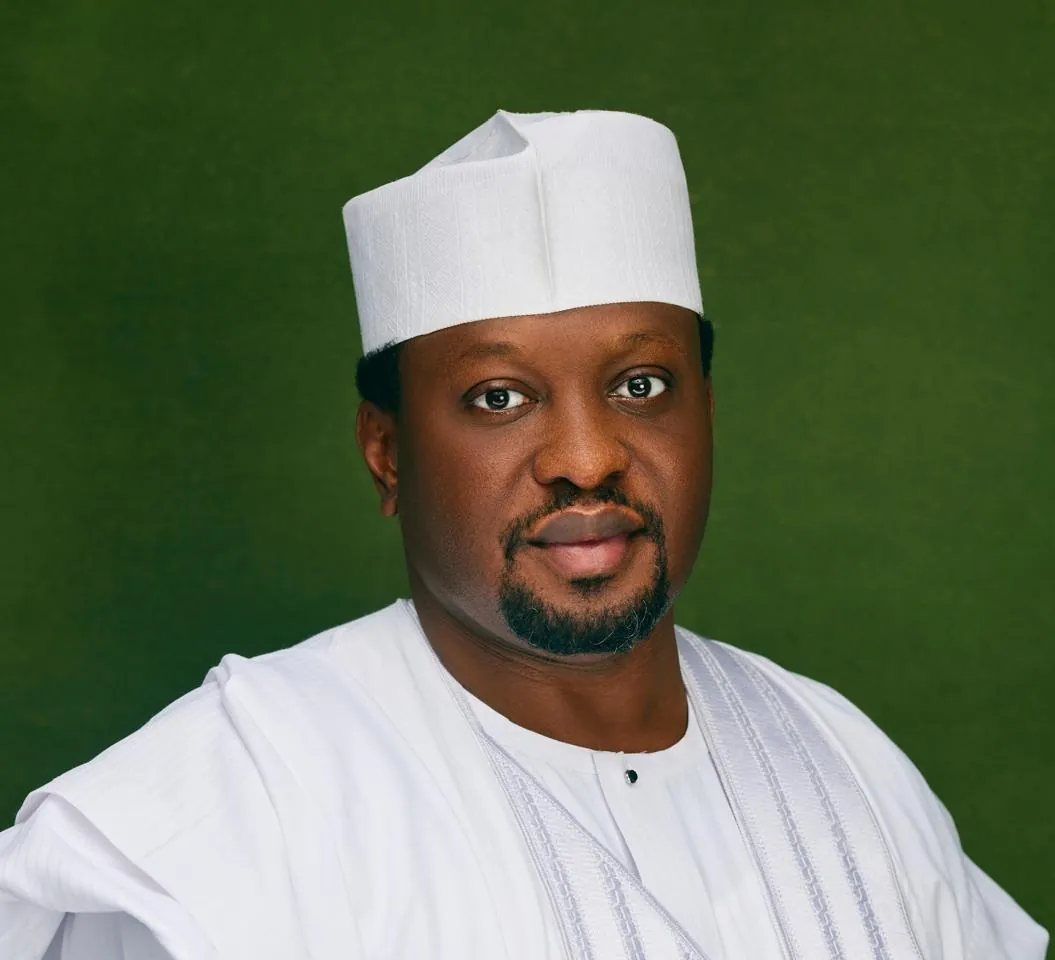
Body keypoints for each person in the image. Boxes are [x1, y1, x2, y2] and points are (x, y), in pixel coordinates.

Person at [0, 109, 1046, 960]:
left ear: (706, 414)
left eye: (640, 385)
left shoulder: (844, 762)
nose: (586, 457)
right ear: (387, 451)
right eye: (498, 398)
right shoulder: (237, 810)